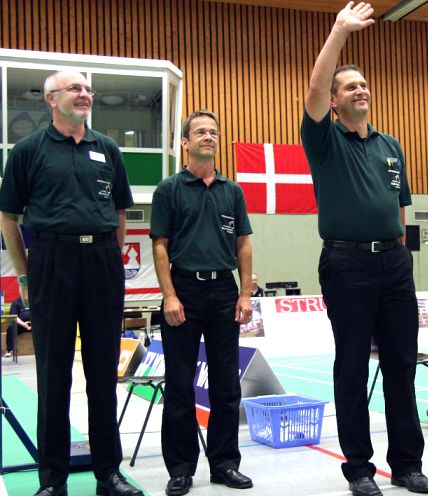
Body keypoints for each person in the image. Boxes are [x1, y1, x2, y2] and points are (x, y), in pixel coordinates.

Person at [301, 3, 428, 496]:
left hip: (393, 263)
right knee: (353, 365)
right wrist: (339, 30)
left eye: (363, 84)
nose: (360, 89)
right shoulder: (323, 139)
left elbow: (399, 208)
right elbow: (314, 88)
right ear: (334, 103)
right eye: (349, 86)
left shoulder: (391, 145)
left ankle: (407, 465)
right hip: (346, 262)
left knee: (402, 364)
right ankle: (359, 469)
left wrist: (398, 254)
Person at [0, 70, 142, 496]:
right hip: (50, 262)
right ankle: (53, 480)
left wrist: (111, 261)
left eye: (88, 90)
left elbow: (119, 213)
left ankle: (109, 475)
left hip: (101, 262)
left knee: (102, 374)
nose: (85, 95)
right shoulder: (28, 151)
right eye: (75, 89)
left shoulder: (108, 148)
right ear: (50, 99)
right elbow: (9, 217)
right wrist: (25, 274)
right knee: (53, 374)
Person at [150, 110, 254, 496]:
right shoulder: (169, 190)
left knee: (227, 384)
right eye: (200, 132)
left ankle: (225, 463)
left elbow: (243, 244)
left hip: (224, 292)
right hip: (185, 292)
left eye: (213, 132)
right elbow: (160, 246)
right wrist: (170, 296)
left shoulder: (233, 191)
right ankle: (180, 468)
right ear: (185, 142)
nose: (208, 137)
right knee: (180, 385)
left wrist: (244, 293)